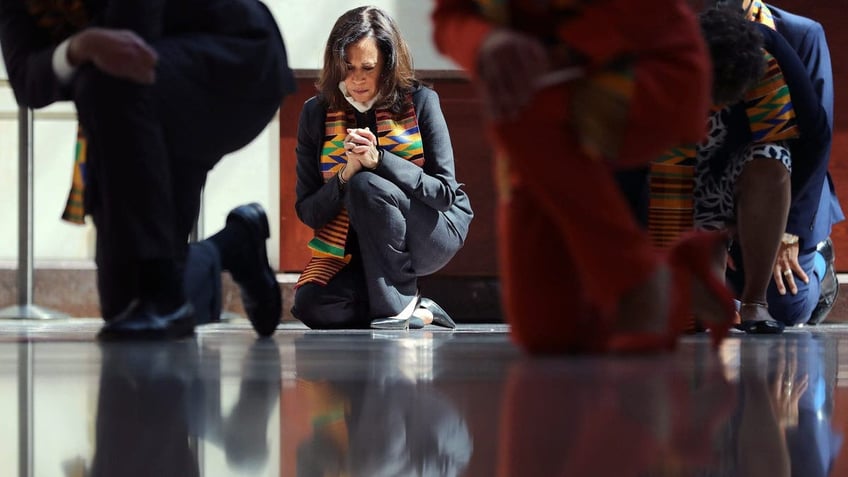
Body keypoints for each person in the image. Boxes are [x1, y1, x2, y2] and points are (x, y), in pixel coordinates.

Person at [432, 0, 736, 353]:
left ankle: (643, 283)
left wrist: (553, 55)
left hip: (652, 65)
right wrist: (486, 43)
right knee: (546, 334)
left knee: (521, 112)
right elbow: (449, 18)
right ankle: (678, 281)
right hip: (540, 106)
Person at [0, 0, 295, 339]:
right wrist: (78, 48)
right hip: (146, 93)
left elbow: (130, 41)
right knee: (124, 303)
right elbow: (26, 81)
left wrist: (87, 51)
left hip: (234, 60)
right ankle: (233, 245)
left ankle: (164, 293)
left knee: (105, 82)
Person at [291, 6, 473, 331]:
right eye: (347, 67)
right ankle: (418, 309)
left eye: (367, 67)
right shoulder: (316, 114)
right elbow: (309, 211)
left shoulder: (420, 101)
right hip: (357, 243)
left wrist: (381, 161)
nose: (357, 78)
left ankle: (397, 305)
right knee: (313, 306)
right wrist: (345, 175)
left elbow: (444, 194)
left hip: (430, 230)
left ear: (387, 66)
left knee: (367, 185)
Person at [688, 5, 831, 334]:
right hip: (697, 163)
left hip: (758, 166)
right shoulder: (673, 58)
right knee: (694, 316)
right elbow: (653, 160)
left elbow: (816, 139)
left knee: (787, 306)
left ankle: (756, 301)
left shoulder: (771, 53)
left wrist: (789, 227)